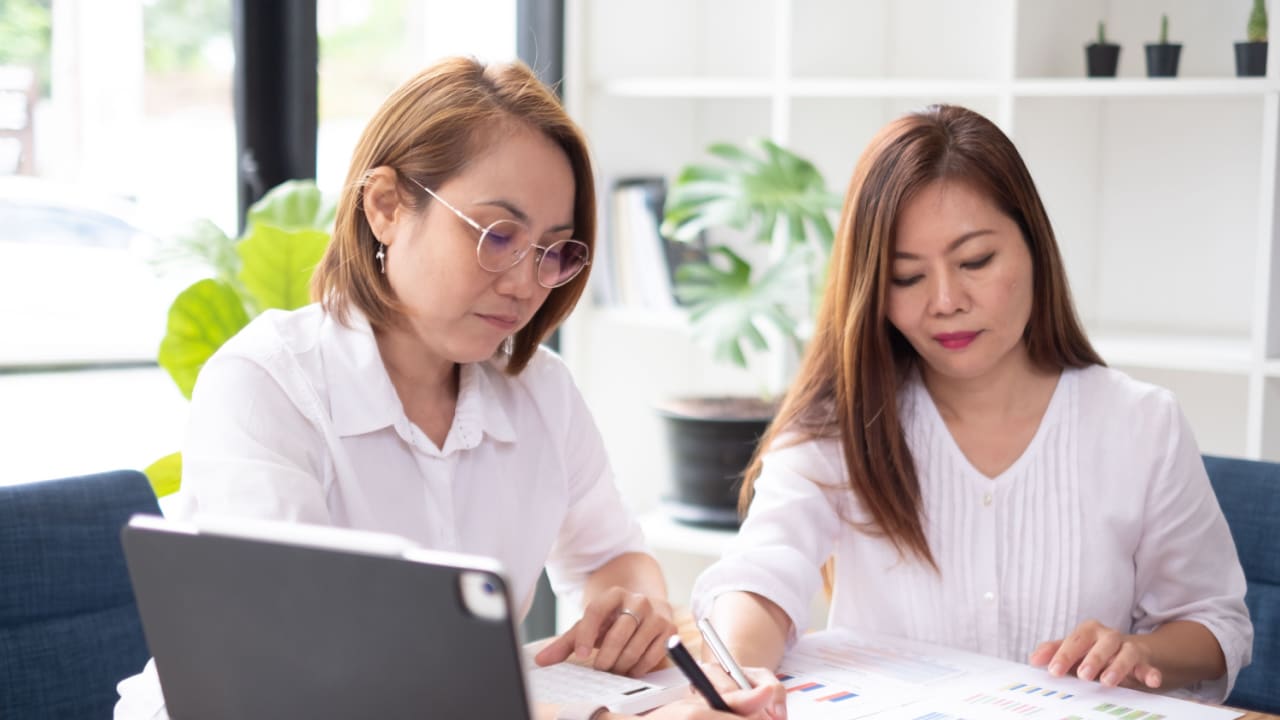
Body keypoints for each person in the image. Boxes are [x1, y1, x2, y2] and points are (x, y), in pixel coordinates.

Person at [116, 57, 785, 720]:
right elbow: (304, 671)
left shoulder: (540, 391)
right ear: (384, 206)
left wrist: (630, 602)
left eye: (554, 251)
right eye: (498, 236)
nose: (527, 283)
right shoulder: (265, 384)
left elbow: (612, 555)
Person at [691, 104, 1252, 702]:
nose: (946, 300)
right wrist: (741, 677)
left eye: (976, 261)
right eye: (907, 277)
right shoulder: (839, 426)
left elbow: (1217, 625)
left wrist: (1139, 650)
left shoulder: (1140, 423)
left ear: (1033, 246)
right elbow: (757, 578)